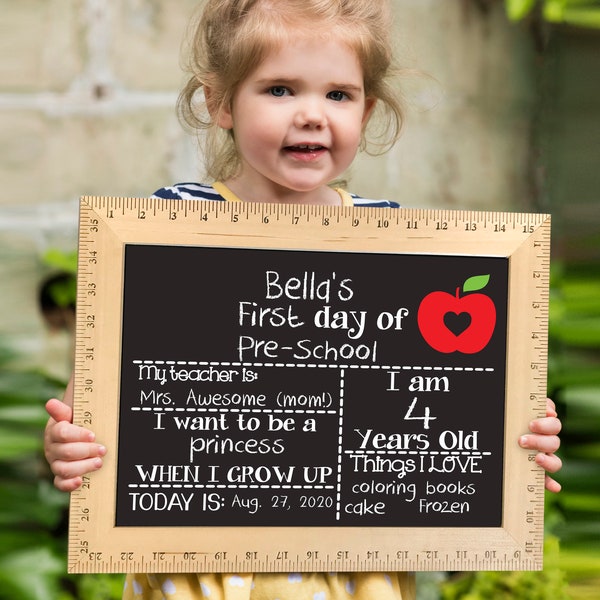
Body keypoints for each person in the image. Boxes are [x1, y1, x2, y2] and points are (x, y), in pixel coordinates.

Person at [44, 0, 563, 598]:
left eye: (339, 95)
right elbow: (102, 388)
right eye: (281, 89)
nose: (313, 116)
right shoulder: (174, 222)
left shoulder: (390, 238)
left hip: (351, 568)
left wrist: (518, 435)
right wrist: (73, 440)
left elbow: (445, 397)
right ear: (219, 103)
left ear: (367, 112)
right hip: (199, 564)